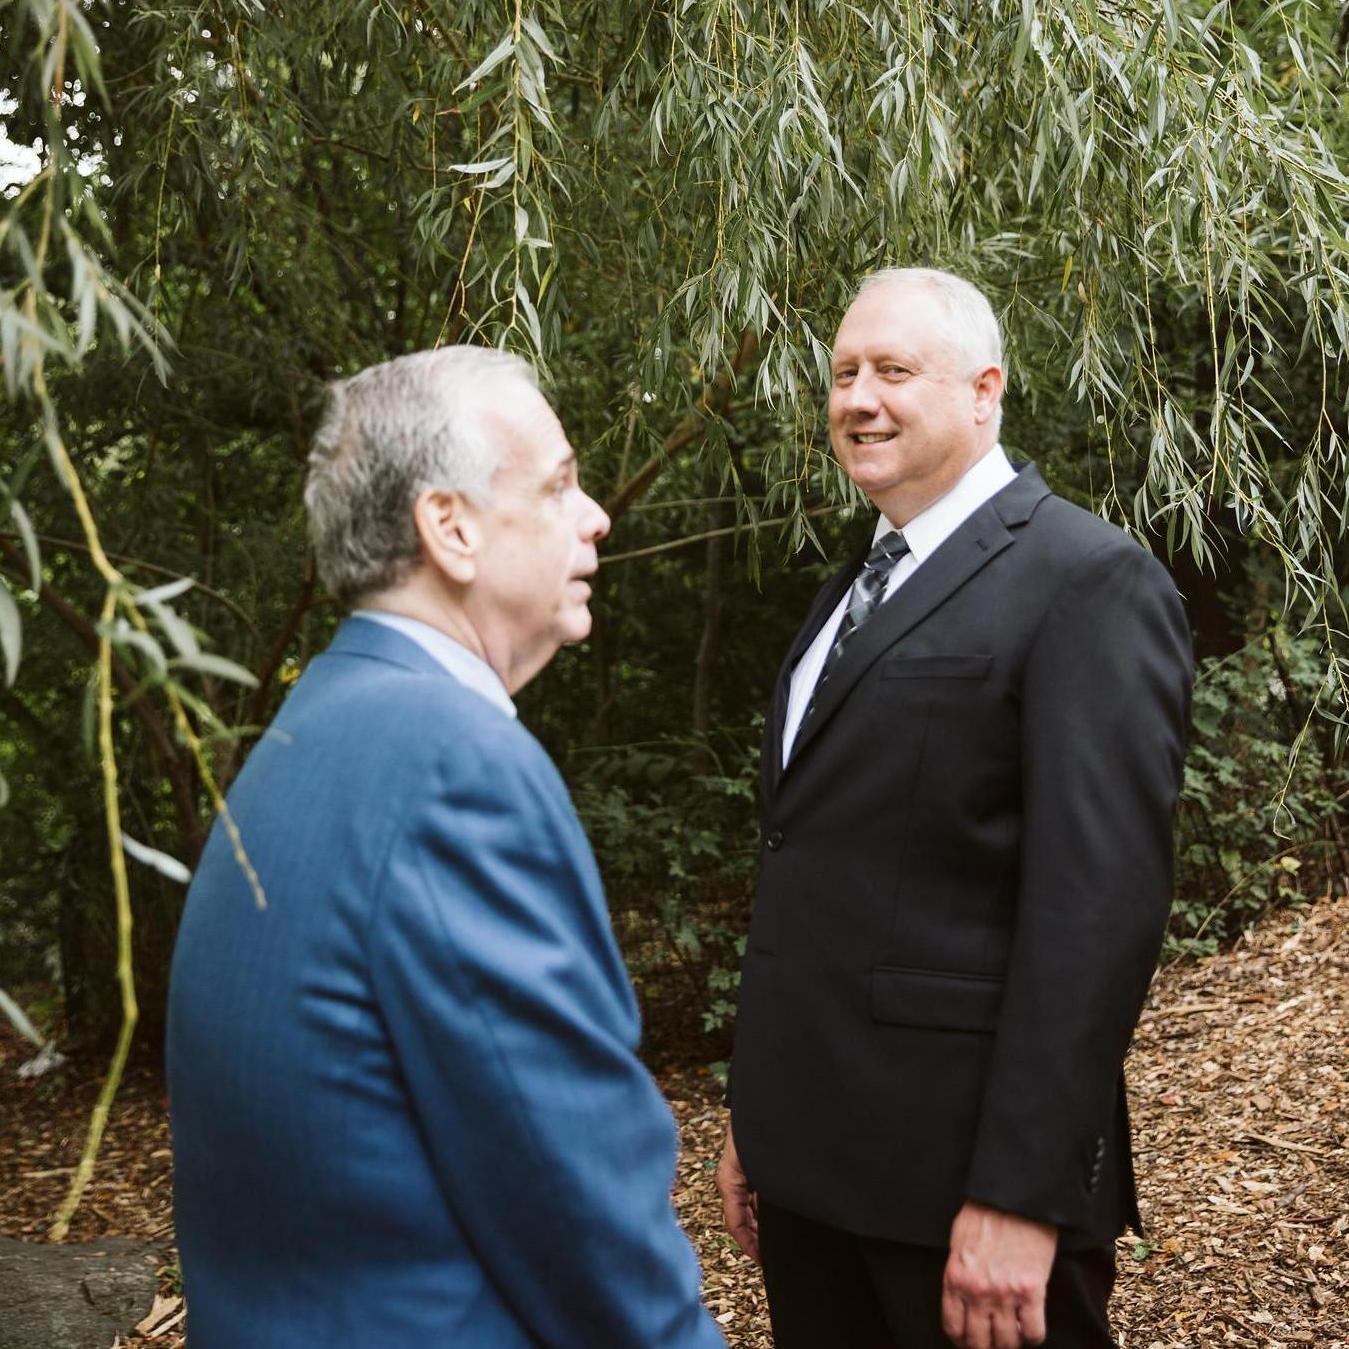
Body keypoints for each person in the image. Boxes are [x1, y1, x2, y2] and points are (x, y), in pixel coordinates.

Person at [167, 347, 726, 1349]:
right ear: (451, 528)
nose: (595, 514)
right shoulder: (452, 766)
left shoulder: (305, 731)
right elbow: (577, 1202)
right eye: (558, 484)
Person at [717, 269, 1193, 1349]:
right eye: (842, 373)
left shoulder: (1085, 581)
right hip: (816, 1174)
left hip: (963, 1195)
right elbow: (820, 869)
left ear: (983, 392)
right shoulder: (851, 587)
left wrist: (1021, 1194)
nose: (856, 397)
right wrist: (762, 1118)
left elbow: (1094, 912)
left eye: (891, 369)